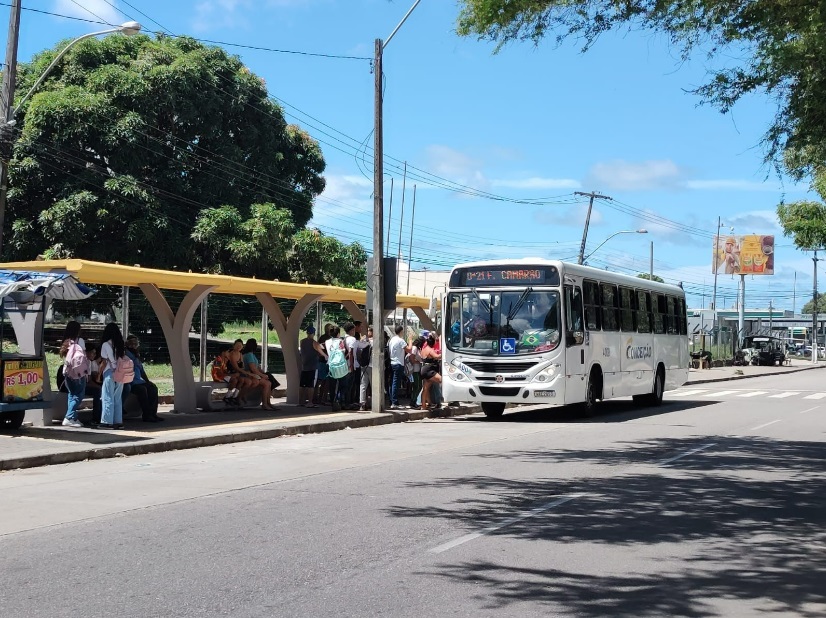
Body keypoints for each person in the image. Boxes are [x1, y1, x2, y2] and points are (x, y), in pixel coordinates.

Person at [124, 335, 163, 422]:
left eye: (135, 343)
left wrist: (147, 381)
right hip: (130, 382)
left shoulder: (136, 354)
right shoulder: (126, 354)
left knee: (153, 388)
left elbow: (141, 370)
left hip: (138, 380)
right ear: (127, 344)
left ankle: (153, 414)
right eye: (131, 343)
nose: (134, 345)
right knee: (142, 390)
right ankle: (146, 415)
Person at [59, 321, 89, 428]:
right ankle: (68, 417)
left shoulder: (66, 341)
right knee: (78, 395)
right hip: (78, 373)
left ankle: (73, 418)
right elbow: (83, 357)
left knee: (71, 395)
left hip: (67, 372)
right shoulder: (79, 341)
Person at [98, 322, 127, 429]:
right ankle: (118, 421)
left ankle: (107, 422)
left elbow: (104, 362)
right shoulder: (121, 344)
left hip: (109, 373)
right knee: (117, 398)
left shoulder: (106, 344)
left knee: (107, 397)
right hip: (120, 373)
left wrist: (99, 375)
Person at [242, 338, 276, 410]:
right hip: (251, 375)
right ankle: (265, 404)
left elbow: (257, 367)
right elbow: (253, 369)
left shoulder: (249, 355)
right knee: (267, 384)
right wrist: (263, 375)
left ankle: (267, 403)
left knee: (268, 383)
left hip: (253, 374)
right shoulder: (249, 355)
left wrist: (263, 373)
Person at [299, 326, 327, 408]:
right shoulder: (314, 342)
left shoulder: (302, 341)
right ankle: (310, 402)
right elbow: (321, 350)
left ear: (307, 332)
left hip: (304, 366)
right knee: (311, 385)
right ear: (314, 333)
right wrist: (326, 356)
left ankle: (301, 401)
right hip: (313, 366)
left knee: (302, 385)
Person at [387, 324, 409, 409]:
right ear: (401, 331)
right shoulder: (401, 340)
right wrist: (410, 341)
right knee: (396, 383)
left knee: (392, 382)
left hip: (392, 362)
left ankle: (392, 400)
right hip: (399, 363)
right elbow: (409, 349)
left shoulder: (391, 340)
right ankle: (394, 402)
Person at [324, 326, 346, 411]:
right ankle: (339, 400)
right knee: (342, 384)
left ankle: (333, 402)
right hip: (340, 365)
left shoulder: (327, 342)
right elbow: (343, 351)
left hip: (330, 365)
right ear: (338, 333)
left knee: (332, 385)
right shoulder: (340, 341)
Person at [420, 333, 442, 410]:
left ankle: (423, 405)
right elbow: (437, 356)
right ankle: (444, 399)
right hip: (429, 370)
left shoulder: (424, 349)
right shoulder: (430, 350)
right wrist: (444, 353)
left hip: (424, 369)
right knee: (442, 380)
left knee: (426, 388)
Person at [356, 326, 374, 411]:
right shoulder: (375, 342)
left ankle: (362, 404)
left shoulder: (362, 341)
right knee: (373, 386)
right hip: (372, 366)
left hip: (363, 365)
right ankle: (374, 403)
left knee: (363, 385)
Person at [315, 323, 334, 405]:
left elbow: (318, 348)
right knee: (326, 382)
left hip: (322, 361)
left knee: (320, 381)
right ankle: (323, 398)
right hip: (326, 362)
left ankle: (318, 398)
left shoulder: (322, 337)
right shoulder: (330, 339)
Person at [408, 336, 424, 407]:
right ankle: (413, 401)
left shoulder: (417, 348)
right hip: (415, 370)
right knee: (417, 387)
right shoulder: (414, 348)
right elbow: (412, 358)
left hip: (418, 370)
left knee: (418, 386)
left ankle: (415, 401)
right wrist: (419, 362)